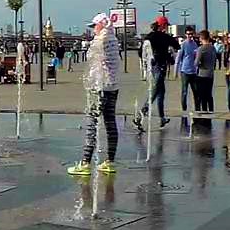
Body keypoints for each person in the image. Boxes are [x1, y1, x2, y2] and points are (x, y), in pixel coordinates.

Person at [68, 13, 121, 176]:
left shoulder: (101, 40)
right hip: (113, 86)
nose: (93, 30)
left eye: (94, 26)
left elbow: (91, 60)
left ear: (101, 25)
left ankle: (85, 163)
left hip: (99, 87)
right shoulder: (114, 39)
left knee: (92, 124)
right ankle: (110, 161)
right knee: (110, 122)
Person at [134, 17, 180, 131]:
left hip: (154, 66)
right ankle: (140, 114)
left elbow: (140, 52)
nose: (167, 27)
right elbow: (177, 46)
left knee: (161, 92)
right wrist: (169, 53)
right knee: (155, 92)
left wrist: (148, 59)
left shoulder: (149, 36)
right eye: (166, 25)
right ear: (162, 25)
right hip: (160, 67)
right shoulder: (164, 37)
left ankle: (162, 118)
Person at [194, 30, 217, 113]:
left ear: (201, 38)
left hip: (202, 74)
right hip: (210, 74)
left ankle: (204, 113)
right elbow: (215, 60)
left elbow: (196, 63)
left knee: (202, 95)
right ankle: (211, 111)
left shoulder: (201, 49)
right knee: (209, 95)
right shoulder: (213, 48)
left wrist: (199, 64)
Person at [176, 27, 199, 112]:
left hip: (193, 71)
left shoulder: (195, 44)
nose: (190, 36)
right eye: (188, 34)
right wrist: (176, 71)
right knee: (184, 91)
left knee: (196, 91)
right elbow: (179, 57)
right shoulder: (184, 44)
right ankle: (184, 109)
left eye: (191, 34)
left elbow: (196, 56)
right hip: (185, 71)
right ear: (185, 34)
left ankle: (197, 109)